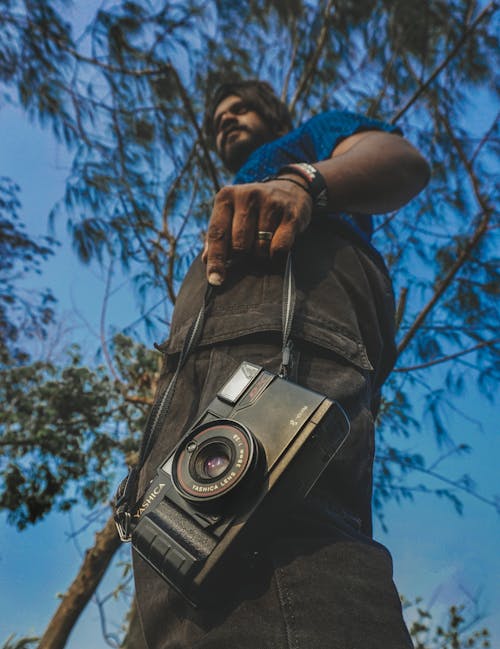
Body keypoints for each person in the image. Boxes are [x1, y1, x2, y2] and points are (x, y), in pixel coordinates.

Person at [132, 79, 430, 649]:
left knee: (260, 506)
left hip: (291, 276)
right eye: (219, 116)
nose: (226, 119)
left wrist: (302, 181)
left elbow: (402, 162)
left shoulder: (311, 136)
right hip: (208, 327)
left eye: (240, 108)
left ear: (273, 114)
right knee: (172, 533)